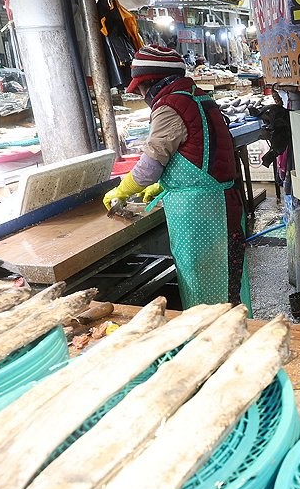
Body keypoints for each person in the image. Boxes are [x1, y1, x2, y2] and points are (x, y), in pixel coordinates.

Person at [102, 44, 249, 310]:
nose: (142, 94)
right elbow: (198, 151)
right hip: (221, 205)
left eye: (142, 87)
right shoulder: (195, 95)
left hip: (203, 214)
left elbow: (148, 167)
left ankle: (215, 347)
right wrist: (165, 185)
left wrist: (121, 191)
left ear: (151, 82)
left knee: (208, 300)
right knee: (227, 291)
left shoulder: (171, 106)